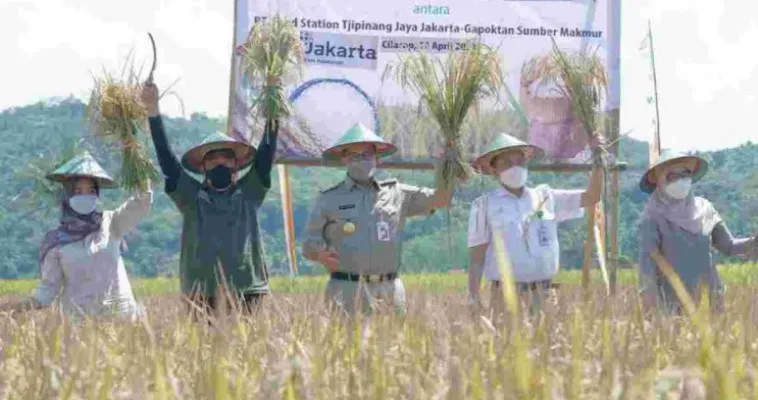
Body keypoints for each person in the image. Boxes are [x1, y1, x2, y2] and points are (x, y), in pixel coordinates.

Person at [141, 82, 277, 316]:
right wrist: (153, 113)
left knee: (247, 351)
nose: (220, 163)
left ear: (236, 165)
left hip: (247, 291)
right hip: (200, 293)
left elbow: (265, 157)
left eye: (226, 158)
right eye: (213, 159)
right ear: (203, 167)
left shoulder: (249, 192)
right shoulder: (190, 197)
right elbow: (167, 161)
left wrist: (273, 110)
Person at [302, 123, 452, 316]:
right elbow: (307, 245)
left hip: (389, 289)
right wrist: (319, 255)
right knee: (347, 345)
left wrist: (445, 167)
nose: (361, 160)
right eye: (355, 155)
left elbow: (441, 199)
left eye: (366, 155)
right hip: (346, 289)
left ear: (376, 159)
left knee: (394, 345)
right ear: (345, 159)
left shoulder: (397, 193)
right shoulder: (329, 199)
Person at [0, 152, 151, 319]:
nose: (85, 196)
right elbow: (48, 289)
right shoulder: (56, 242)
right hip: (80, 325)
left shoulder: (111, 223)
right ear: (67, 195)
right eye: (78, 191)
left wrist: (138, 165)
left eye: (91, 191)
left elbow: (141, 202)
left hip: (121, 320)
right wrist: (16, 307)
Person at [466, 133, 604, 316]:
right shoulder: (483, 206)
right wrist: (473, 297)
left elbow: (592, 196)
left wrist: (598, 158)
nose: (515, 167)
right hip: (506, 296)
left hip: (545, 294)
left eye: (519, 161)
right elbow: (477, 258)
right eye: (507, 162)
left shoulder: (546, 197)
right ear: (493, 170)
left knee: (550, 342)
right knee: (508, 343)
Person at [638, 150, 758, 314]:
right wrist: (652, 314)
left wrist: (753, 242)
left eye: (685, 174)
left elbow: (729, 246)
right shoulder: (652, 218)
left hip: (711, 302)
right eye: (673, 176)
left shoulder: (705, 209)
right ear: (659, 180)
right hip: (673, 309)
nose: (680, 180)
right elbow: (647, 272)